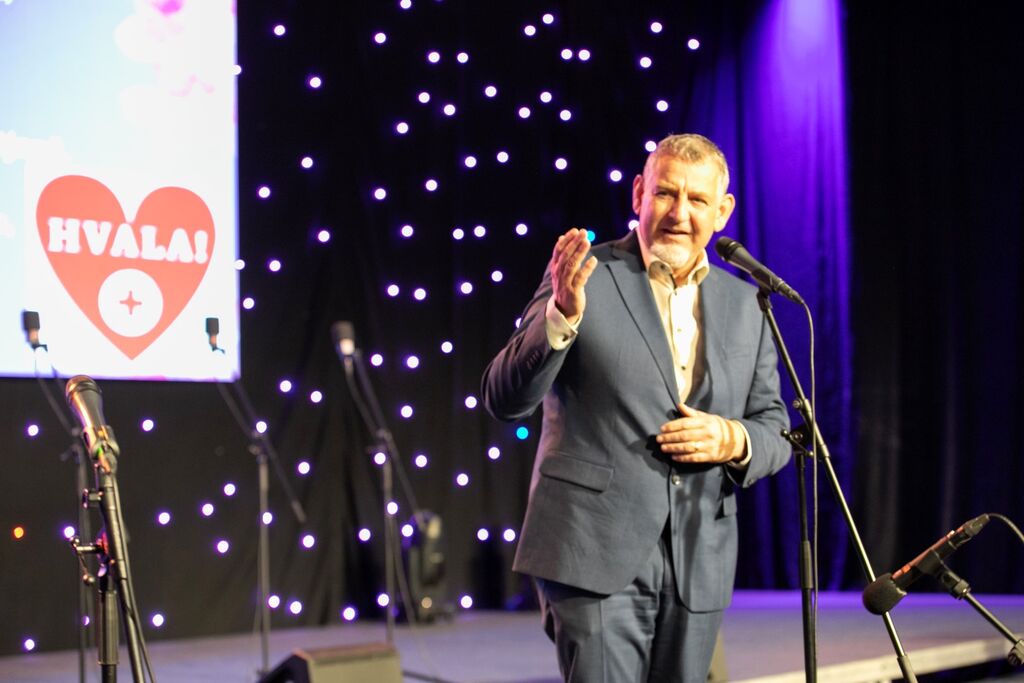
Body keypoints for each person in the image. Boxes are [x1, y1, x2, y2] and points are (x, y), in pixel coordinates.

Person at [482, 134, 791, 682]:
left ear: (722, 212)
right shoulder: (584, 275)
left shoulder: (748, 303)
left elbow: (775, 427)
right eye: (666, 193)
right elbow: (504, 398)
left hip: (699, 556)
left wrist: (732, 439)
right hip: (591, 549)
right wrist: (560, 316)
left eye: (697, 200)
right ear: (638, 195)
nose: (679, 213)